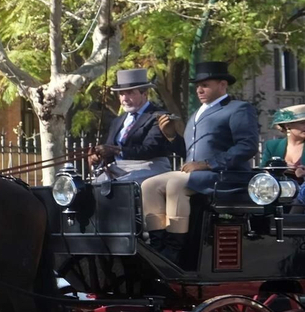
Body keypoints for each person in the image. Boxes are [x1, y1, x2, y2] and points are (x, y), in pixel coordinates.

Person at [141, 60, 259, 238]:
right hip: (199, 175)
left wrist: (207, 164)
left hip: (226, 176)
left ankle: (176, 244)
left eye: (205, 85)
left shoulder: (238, 109)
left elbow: (247, 147)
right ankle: (158, 240)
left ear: (222, 85)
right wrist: (171, 136)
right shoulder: (197, 114)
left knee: (175, 184)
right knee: (149, 185)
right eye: (197, 86)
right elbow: (189, 154)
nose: (199, 90)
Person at [90, 68, 181, 183]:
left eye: (130, 93)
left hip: (150, 167)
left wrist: (117, 150)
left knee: (120, 185)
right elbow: (110, 150)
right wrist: (99, 156)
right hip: (120, 168)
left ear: (145, 94)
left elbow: (150, 149)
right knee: (94, 186)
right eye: (121, 94)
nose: (125, 99)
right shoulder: (118, 121)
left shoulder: (158, 117)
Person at [261, 103, 305, 176]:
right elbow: (262, 172)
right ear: (287, 125)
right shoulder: (272, 146)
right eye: (303, 123)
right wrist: (279, 168)